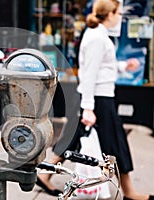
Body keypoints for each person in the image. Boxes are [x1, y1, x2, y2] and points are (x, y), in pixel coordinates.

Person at [36, 0, 154, 199]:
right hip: (99, 99)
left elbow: (102, 66)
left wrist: (124, 66)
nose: (120, 18)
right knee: (116, 143)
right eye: (118, 13)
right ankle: (129, 192)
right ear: (109, 15)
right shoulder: (97, 37)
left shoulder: (98, 35)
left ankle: (46, 175)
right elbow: (89, 74)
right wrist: (89, 108)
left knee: (74, 138)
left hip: (98, 97)